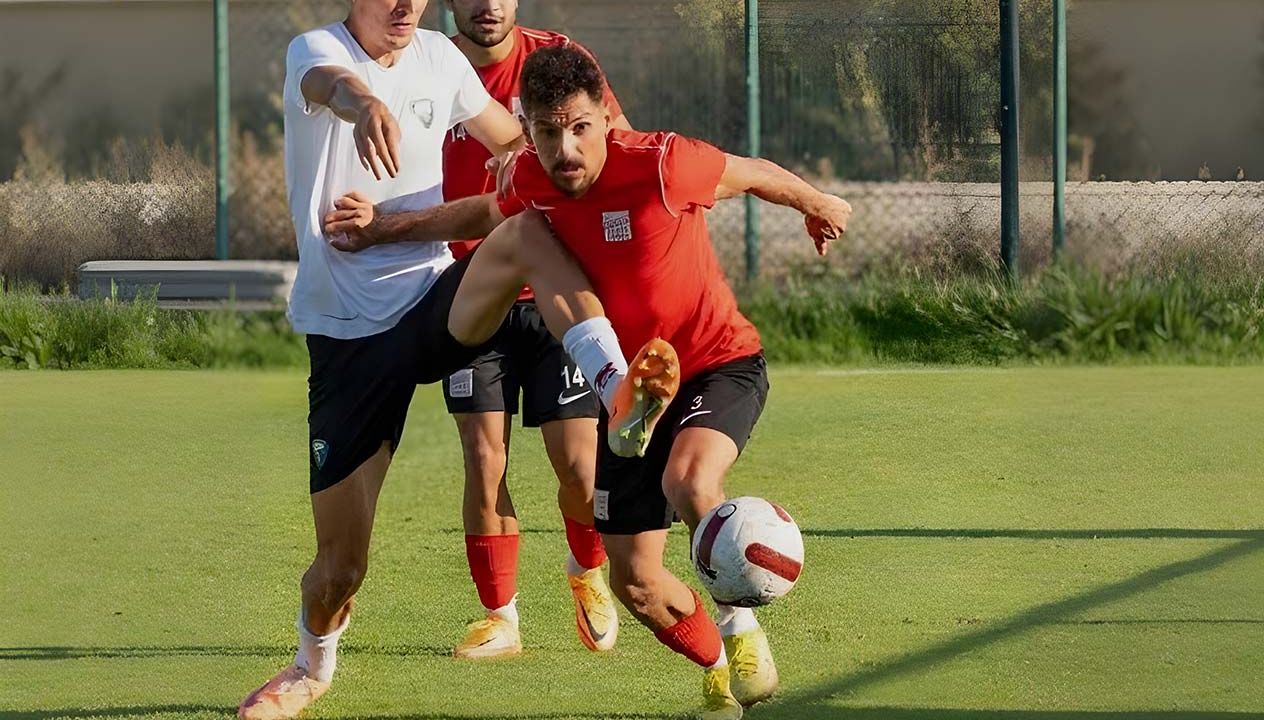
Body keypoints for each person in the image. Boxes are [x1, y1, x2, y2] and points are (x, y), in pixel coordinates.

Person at [322, 44, 851, 720]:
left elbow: (748, 172)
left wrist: (816, 202)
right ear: (528, 129)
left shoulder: (663, 163)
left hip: (715, 363)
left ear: (605, 117)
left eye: (579, 128)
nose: (565, 149)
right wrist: (382, 230)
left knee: (689, 481)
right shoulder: (531, 179)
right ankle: (719, 674)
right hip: (629, 392)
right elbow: (480, 216)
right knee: (636, 584)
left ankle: (741, 628)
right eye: (547, 132)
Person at [237, 4, 662, 718]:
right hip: (349, 338)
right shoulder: (313, 50)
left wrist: (540, 159)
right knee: (340, 570)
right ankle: (311, 668)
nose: (405, 6)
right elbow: (331, 86)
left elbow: (511, 140)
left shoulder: (439, 55)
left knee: (524, 234)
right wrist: (365, 103)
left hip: (435, 299)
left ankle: (614, 384)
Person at [437, 0, 633, 660]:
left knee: (579, 465)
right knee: (483, 455)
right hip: (473, 292)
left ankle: (588, 572)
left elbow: (616, 147)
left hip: (557, 291)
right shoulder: (426, 67)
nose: (488, 5)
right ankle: (500, 616)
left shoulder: (557, 61)